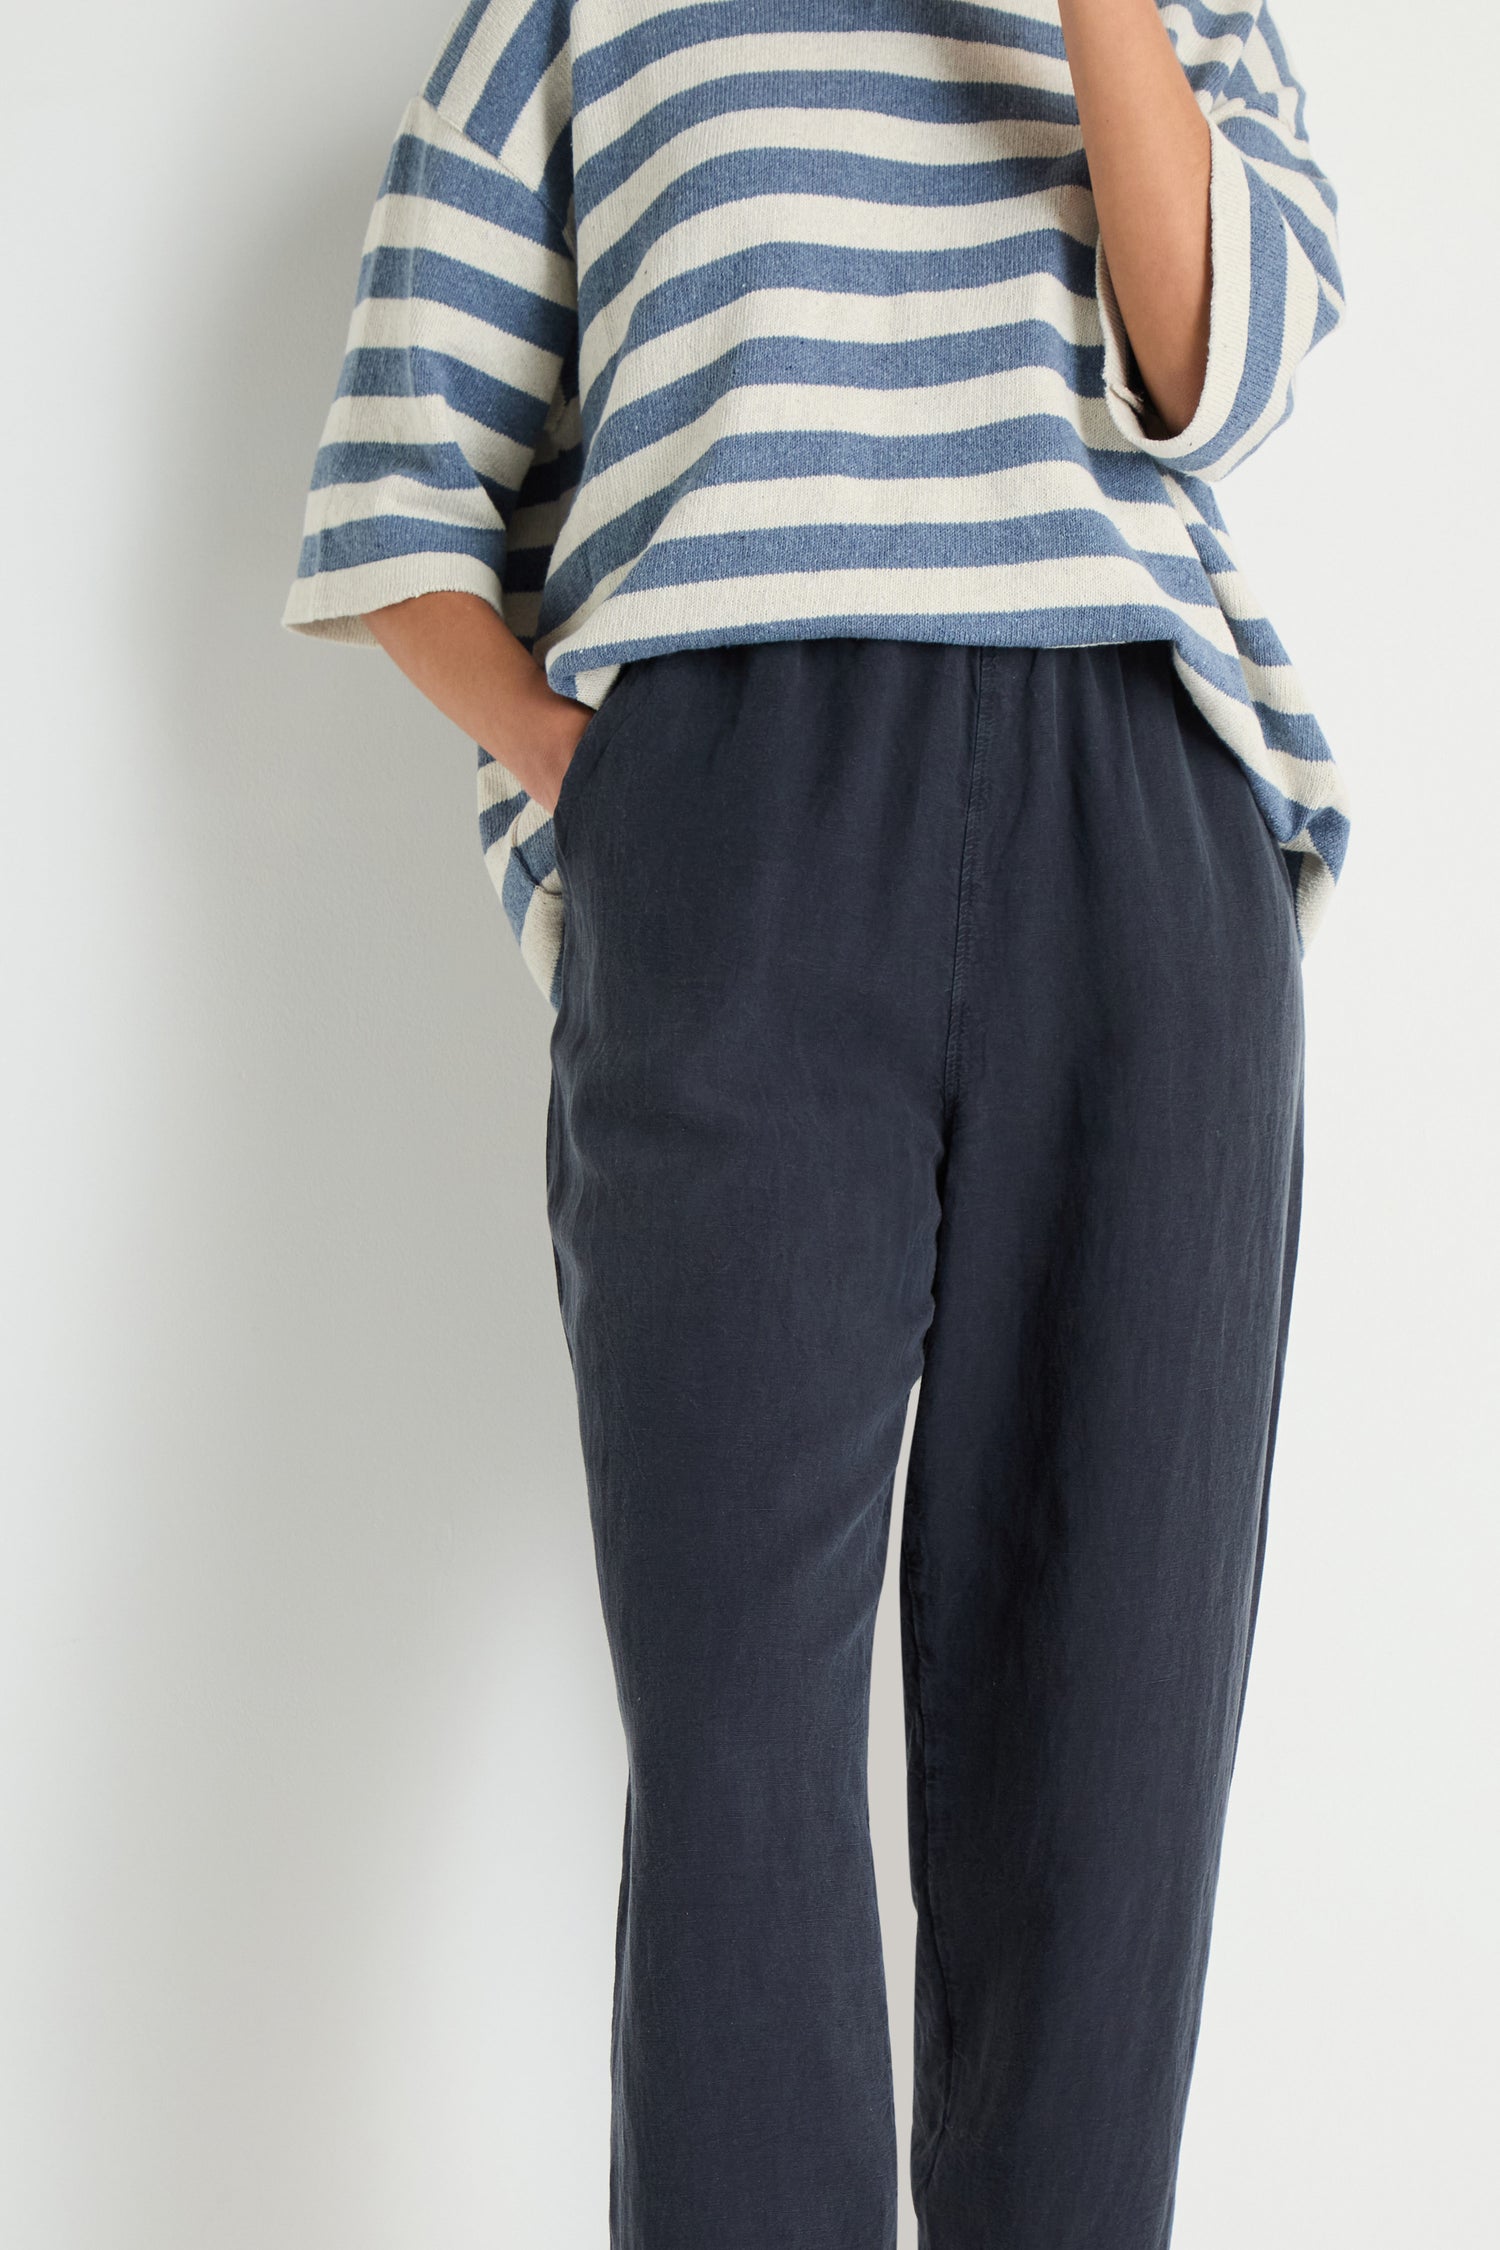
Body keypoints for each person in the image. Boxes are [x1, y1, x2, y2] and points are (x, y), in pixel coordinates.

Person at [282, 3, 1348, 2244]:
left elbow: (1217, 370)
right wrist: (617, 787)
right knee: (740, 1769)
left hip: (1130, 835)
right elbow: (396, 491)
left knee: (1107, 1778)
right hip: (738, 840)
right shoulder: (573, 18)